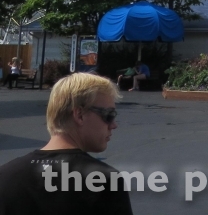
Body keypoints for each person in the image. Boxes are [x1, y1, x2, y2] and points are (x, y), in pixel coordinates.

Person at [0, 72, 133, 214]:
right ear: (79, 115)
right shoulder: (103, 180)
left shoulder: (5, 175)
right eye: (109, 115)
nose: (114, 125)